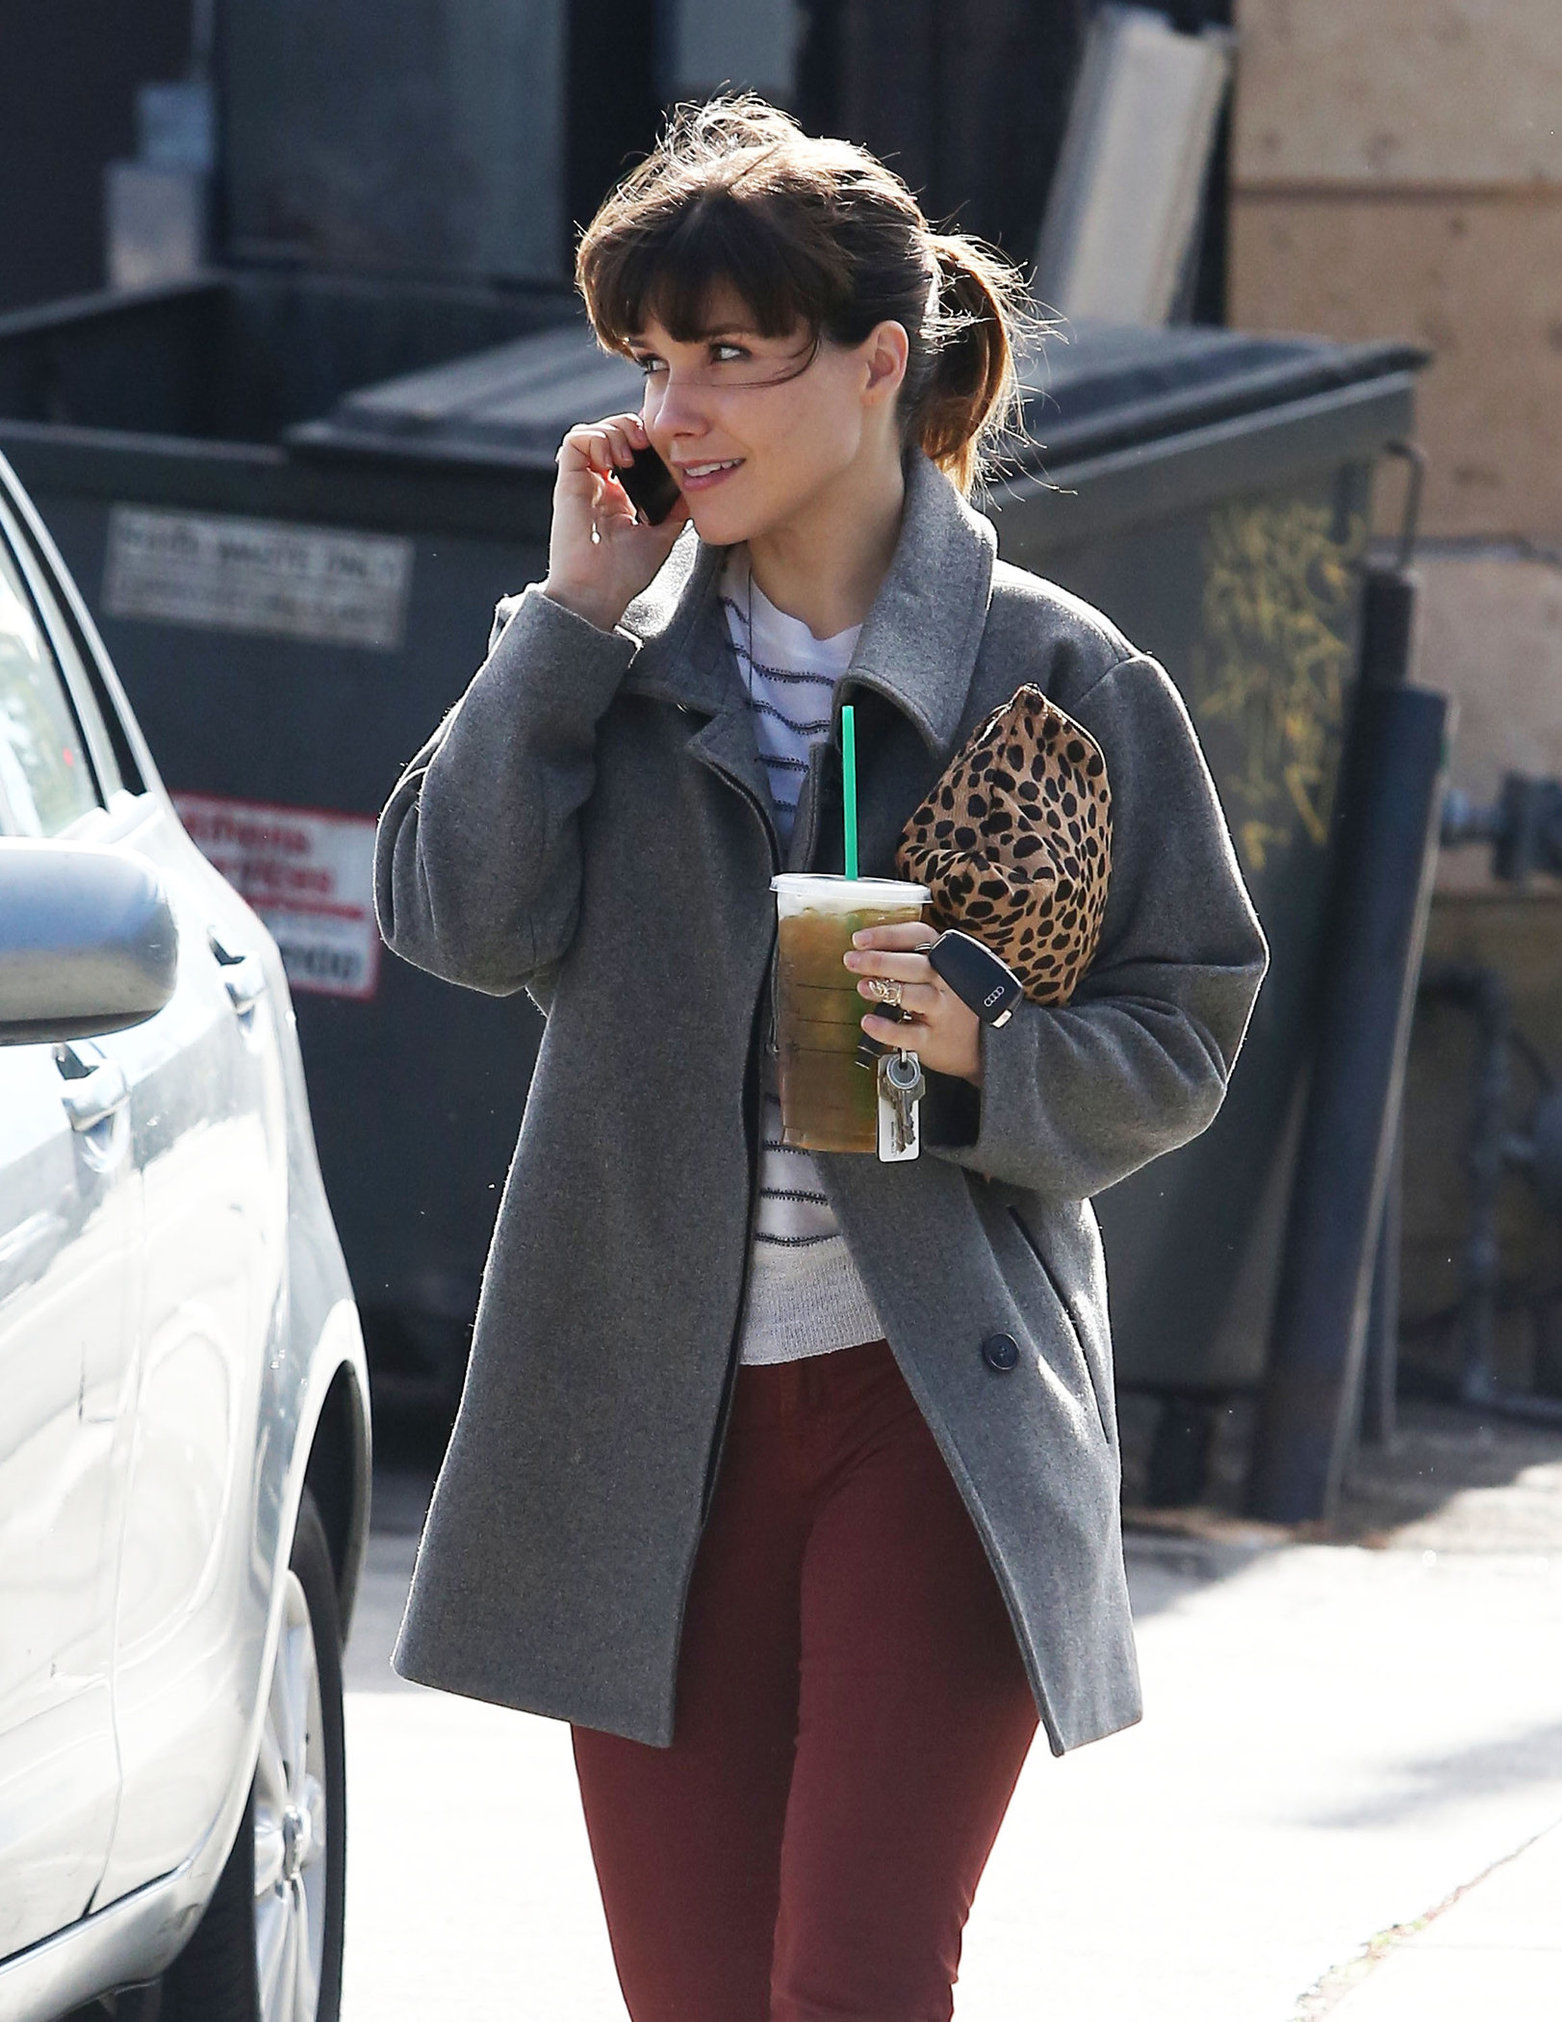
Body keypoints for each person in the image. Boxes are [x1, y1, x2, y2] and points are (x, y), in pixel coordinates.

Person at [375, 94, 1268, 2022]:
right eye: (647, 357)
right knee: (698, 2001)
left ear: (877, 365)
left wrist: (993, 1057)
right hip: (647, 1427)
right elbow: (456, 921)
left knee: (852, 1982)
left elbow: (1187, 1016)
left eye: (724, 354)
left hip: (927, 1406)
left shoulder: (1060, 674)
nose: (672, 406)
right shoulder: (604, 673)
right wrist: (562, 627)